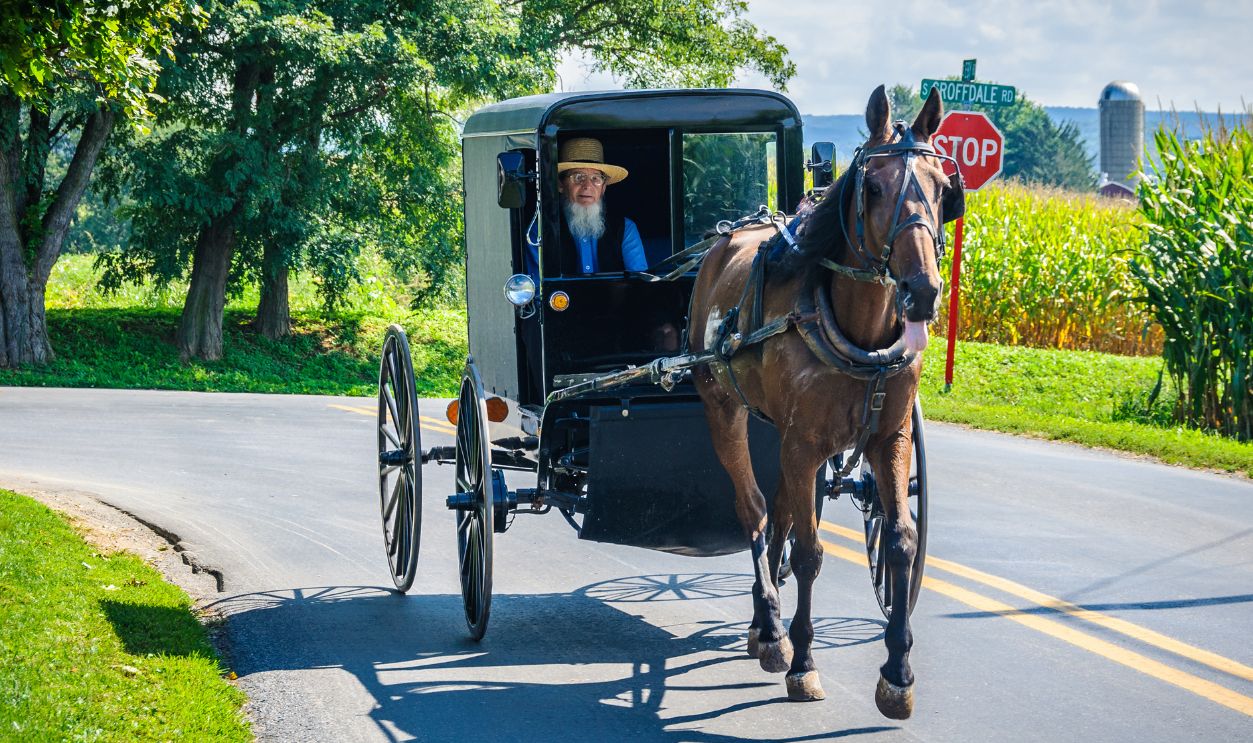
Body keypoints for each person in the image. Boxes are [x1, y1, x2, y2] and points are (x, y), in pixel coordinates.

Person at [525, 137, 648, 278]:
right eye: (578, 177)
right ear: (560, 185)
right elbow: (538, 289)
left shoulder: (625, 228)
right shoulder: (540, 230)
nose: (587, 186)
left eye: (596, 178)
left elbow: (640, 283)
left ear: (603, 188)